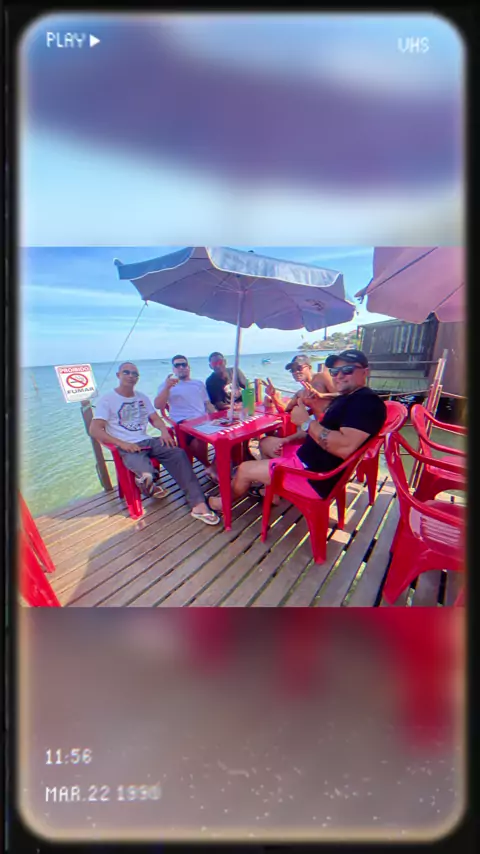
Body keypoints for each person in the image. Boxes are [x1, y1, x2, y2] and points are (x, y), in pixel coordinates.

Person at [208, 349, 386, 513]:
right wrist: (287, 438)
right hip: (310, 459)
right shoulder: (349, 398)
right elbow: (319, 425)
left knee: (244, 469)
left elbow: (343, 447)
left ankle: (223, 503)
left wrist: (307, 422)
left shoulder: (366, 403)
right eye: (334, 371)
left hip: (312, 476)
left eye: (347, 370)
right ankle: (273, 493)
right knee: (266, 443)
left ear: (365, 372)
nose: (339, 376)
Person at [90, 362, 220, 525]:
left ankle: (198, 504)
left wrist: (164, 431)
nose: (131, 376)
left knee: (178, 454)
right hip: (127, 447)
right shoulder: (107, 400)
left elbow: (155, 418)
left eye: (134, 374)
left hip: (148, 441)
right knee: (147, 476)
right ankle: (147, 483)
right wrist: (121, 444)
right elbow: (95, 430)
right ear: (118, 375)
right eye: (126, 372)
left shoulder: (141, 397)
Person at [259, 354, 338, 460]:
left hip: (332, 432)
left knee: (267, 445)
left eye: (299, 368)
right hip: (315, 434)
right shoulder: (301, 393)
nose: (296, 372)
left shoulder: (322, 377)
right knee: (265, 443)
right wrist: (273, 395)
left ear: (309, 367)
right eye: (292, 370)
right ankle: (276, 467)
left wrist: (322, 395)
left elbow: (344, 395)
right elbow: (286, 409)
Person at [154, 355, 218, 481]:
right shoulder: (166, 386)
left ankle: (215, 465)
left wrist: (216, 416)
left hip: (203, 421)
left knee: (228, 435)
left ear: (188, 367)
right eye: (177, 365)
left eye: (184, 364)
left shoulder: (198, 384)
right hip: (183, 424)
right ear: (173, 369)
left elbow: (207, 404)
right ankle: (209, 466)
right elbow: (158, 405)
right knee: (197, 440)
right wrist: (167, 388)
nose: (181, 367)